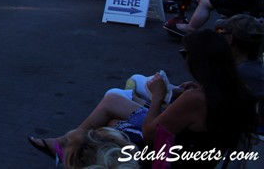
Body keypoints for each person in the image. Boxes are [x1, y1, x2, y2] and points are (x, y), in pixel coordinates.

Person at [28, 30, 257, 167]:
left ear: (197, 60)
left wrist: (158, 96)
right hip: (199, 153)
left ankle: (68, 149)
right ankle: (63, 143)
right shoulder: (235, 88)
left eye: (184, 55)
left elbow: (152, 135)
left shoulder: (197, 99)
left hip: (170, 158)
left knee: (110, 126)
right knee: (112, 103)